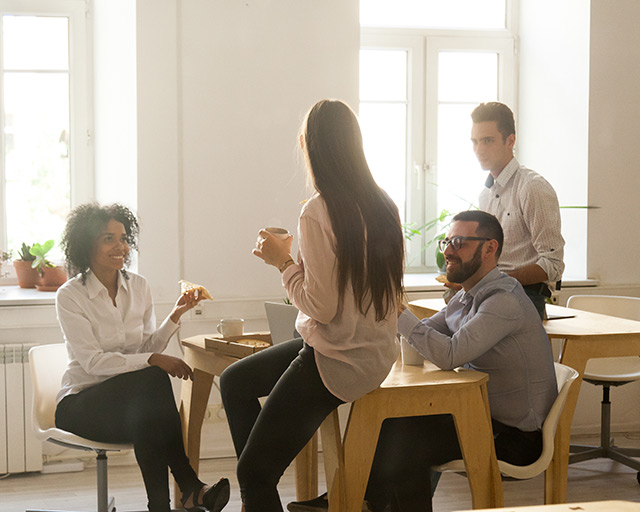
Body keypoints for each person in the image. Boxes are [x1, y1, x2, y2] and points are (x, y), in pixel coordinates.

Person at [219, 99, 405, 512]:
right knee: (235, 382)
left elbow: (319, 307)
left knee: (251, 474)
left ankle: (260, 474)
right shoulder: (384, 205)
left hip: (336, 358)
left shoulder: (318, 211)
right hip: (375, 354)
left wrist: (282, 262)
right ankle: (265, 462)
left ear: (310, 147)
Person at [364, 210, 558, 512]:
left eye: (459, 242)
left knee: (406, 445)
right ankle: (366, 502)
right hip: (479, 416)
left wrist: (397, 312)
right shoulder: (467, 295)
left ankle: (362, 502)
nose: (448, 251)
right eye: (446, 242)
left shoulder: (502, 300)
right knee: (394, 423)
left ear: (490, 248)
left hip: (516, 438)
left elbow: (449, 354)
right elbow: (428, 333)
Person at [54, 203, 229, 512]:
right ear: (86, 244)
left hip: (131, 407)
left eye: (123, 238)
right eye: (108, 238)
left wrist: (176, 314)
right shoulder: (70, 295)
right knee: (153, 382)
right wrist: (152, 361)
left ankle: (163, 504)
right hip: (82, 404)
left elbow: (148, 348)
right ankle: (189, 487)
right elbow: (94, 363)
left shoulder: (139, 286)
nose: (120, 246)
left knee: (148, 411)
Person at [470, 102, 565, 318]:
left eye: (487, 141)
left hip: (525, 296)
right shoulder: (485, 195)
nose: (479, 150)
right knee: (439, 321)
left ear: (510, 140)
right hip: (492, 294)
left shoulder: (532, 187)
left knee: (457, 336)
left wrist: (500, 280)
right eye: (475, 142)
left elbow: (553, 264)